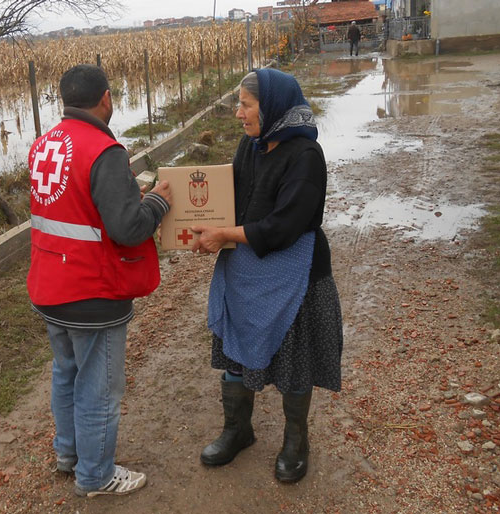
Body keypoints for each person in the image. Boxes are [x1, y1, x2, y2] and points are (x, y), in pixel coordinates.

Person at [189, 69, 343, 483]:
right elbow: (230, 201)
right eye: (238, 104)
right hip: (243, 268)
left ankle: (296, 440)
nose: (238, 113)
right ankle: (238, 430)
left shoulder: (306, 157)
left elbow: (284, 227)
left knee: (294, 362)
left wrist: (224, 233)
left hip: (294, 275)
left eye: (245, 104)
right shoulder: (251, 145)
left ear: (271, 106)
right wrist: (198, 224)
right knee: (236, 351)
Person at [27, 64, 172, 497]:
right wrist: (158, 204)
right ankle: (97, 475)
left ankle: (68, 454)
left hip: (50, 284)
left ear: (64, 100)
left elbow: (75, 209)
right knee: (99, 388)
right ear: (106, 98)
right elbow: (127, 228)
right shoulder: (103, 150)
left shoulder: (43, 144)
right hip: (92, 291)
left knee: (66, 373)